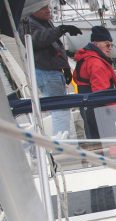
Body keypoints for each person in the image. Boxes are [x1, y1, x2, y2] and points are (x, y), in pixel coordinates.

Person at [19, 0, 82, 136]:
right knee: (60, 109)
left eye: (47, 7)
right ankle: (63, 146)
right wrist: (61, 29)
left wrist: (65, 67)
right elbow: (38, 40)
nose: (48, 10)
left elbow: (56, 46)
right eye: (43, 8)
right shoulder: (27, 23)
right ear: (32, 10)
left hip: (51, 72)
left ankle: (63, 140)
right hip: (46, 73)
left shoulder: (43, 21)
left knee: (60, 109)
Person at [73, 26, 116, 139]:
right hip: (100, 112)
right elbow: (101, 93)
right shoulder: (97, 64)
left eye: (111, 45)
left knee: (93, 138)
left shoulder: (85, 59)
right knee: (109, 142)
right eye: (107, 44)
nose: (110, 47)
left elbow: (78, 79)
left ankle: (97, 155)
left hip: (87, 108)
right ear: (96, 44)